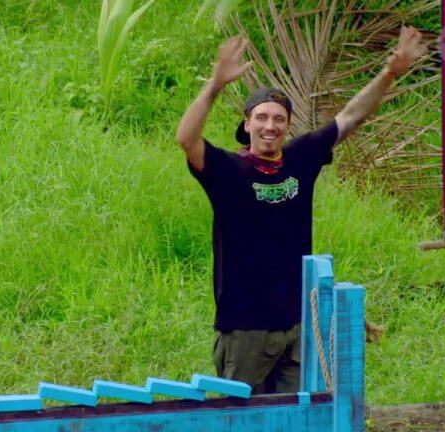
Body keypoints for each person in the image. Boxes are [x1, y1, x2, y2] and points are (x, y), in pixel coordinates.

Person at [176, 27, 426, 394]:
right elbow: (186, 138)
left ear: (288, 126)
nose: (270, 125)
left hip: (298, 326)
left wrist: (391, 72)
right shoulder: (227, 170)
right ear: (247, 124)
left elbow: (351, 116)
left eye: (279, 119)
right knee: (242, 418)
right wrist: (215, 85)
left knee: (299, 415)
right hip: (245, 330)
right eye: (261, 117)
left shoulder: (301, 158)